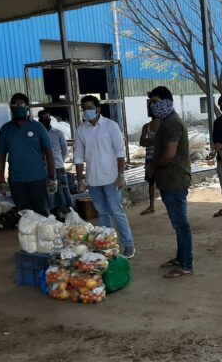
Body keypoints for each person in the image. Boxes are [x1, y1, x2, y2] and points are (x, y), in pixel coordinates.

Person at [74, 95, 136, 259]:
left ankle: (128, 244)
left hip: (111, 178)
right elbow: (78, 156)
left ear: (98, 109)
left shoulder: (111, 126)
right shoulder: (81, 130)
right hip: (93, 180)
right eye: (84, 108)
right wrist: (80, 179)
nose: (87, 110)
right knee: (102, 214)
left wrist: (121, 175)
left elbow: (120, 152)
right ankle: (107, 246)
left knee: (117, 212)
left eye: (89, 107)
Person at [145, 86, 194, 278]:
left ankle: (186, 264)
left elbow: (169, 154)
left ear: (167, 102)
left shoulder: (172, 123)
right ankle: (180, 257)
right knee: (177, 223)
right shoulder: (166, 122)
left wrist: (153, 166)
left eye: (156, 102)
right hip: (169, 179)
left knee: (181, 224)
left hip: (175, 179)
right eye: (151, 103)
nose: (153, 106)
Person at [0, 93, 56, 216]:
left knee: (42, 213)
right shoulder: (5, 130)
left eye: (22, 105)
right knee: (25, 216)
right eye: (15, 105)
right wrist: (1, 180)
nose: (18, 107)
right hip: (17, 181)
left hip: (38, 178)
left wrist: (52, 176)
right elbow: (1, 156)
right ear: (11, 107)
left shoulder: (37, 127)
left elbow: (49, 152)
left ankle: (45, 236)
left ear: (27, 107)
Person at [37, 109, 73, 218]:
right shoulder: (38, 134)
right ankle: (52, 214)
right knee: (49, 192)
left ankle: (71, 212)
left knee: (65, 190)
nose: (46, 119)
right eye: (43, 118)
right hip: (44, 168)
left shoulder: (58, 133)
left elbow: (64, 149)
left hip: (58, 166)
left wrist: (58, 160)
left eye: (47, 117)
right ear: (40, 120)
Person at [138, 100, 161, 215]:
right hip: (150, 158)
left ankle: (167, 204)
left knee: (163, 181)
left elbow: (162, 142)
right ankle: (152, 206)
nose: (150, 111)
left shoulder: (164, 124)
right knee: (151, 182)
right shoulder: (146, 127)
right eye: (149, 109)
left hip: (161, 157)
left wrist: (149, 141)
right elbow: (141, 142)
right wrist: (153, 141)